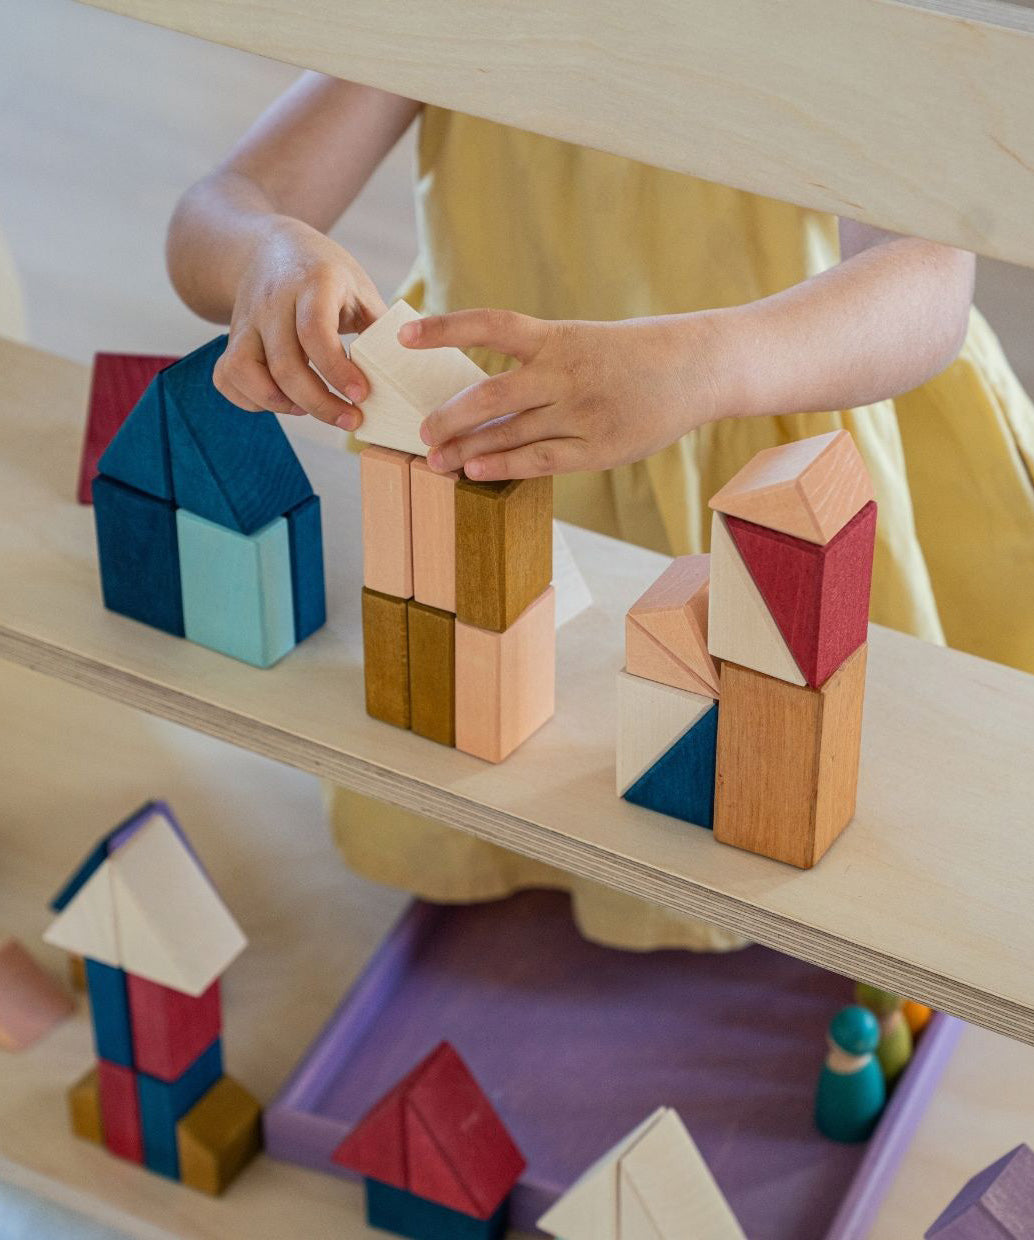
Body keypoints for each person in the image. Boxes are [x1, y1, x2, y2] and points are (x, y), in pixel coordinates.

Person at [167, 75, 1034, 950]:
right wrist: (269, 254)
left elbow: (928, 290)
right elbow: (217, 211)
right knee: (506, 725)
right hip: (494, 440)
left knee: (778, 784)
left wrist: (700, 365)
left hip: (759, 428)